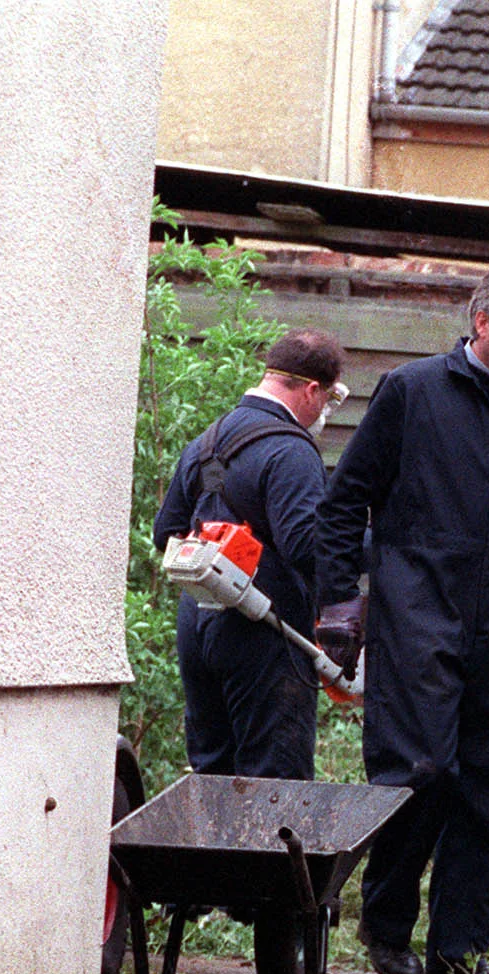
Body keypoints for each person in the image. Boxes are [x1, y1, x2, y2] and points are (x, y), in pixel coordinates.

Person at [314, 260, 489, 974]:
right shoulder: (414, 393)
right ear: (482, 322)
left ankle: (461, 948)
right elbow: (345, 502)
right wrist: (340, 603)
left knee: (487, 784)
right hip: (416, 605)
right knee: (422, 771)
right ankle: (386, 924)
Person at [153, 328, 348, 780]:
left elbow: (167, 533)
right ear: (312, 390)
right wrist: (380, 543)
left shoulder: (206, 443)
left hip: (198, 628)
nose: (323, 412)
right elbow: (306, 545)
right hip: (263, 633)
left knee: (212, 776)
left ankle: (209, 855)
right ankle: (265, 857)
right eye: (328, 400)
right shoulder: (290, 449)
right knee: (274, 783)